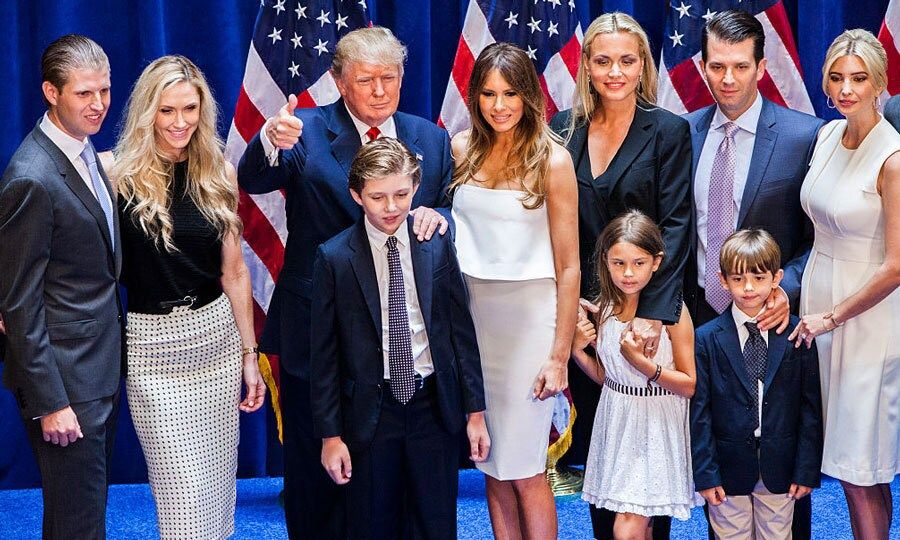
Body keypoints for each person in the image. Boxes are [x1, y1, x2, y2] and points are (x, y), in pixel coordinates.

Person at [237, 26, 452, 538]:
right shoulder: (304, 130)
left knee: (400, 482)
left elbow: (444, 207)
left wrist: (440, 214)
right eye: (365, 80)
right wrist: (268, 142)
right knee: (320, 476)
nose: (379, 91)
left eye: (389, 78)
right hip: (320, 333)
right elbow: (254, 179)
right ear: (338, 80)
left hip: (403, 336)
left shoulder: (431, 138)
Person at [106, 55, 265, 539]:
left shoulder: (218, 171)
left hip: (215, 340)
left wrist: (249, 355)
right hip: (151, 348)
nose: (180, 122)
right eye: (167, 110)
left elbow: (234, 271)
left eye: (190, 109)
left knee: (216, 495)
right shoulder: (113, 176)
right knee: (181, 498)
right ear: (146, 111)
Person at [549, 13, 693, 538]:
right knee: (602, 452)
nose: (614, 71)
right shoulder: (561, 130)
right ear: (586, 65)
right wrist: (573, 316)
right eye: (603, 60)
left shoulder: (669, 130)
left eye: (626, 60)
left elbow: (677, 225)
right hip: (588, 318)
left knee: (648, 460)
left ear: (642, 67)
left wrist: (652, 314)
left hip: (647, 316)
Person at [683, 13, 824, 536]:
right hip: (703, 318)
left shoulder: (802, 135)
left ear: (762, 67)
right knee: (720, 457)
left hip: (774, 317)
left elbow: (819, 240)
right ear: (701, 66)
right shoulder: (685, 132)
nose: (727, 78)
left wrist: (786, 286)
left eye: (740, 66)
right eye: (717, 66)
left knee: (782, 457)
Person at [309, 138, 489, 539]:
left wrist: (475, 412)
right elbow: (324, 357)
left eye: (401, 194)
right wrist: (330, 436)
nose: (391, 207)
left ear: (415, 188)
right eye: (377, 197)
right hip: (371, 416)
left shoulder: (436, 243)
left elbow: (461, 333)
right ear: (357, 195)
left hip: (431, 408)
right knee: (373, 523)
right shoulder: (335, 258)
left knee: (436, 523)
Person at [450, 42, 579, 539]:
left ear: (529, 96)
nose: (498, 105)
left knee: (525, 467)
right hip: (474, 319)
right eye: (488, 93)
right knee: (491, 462)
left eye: (509, 94)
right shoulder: (461, 149)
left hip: (531, 322)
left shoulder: (554, 161)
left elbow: (568, 268)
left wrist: (559, 354)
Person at [0, 34, 123, 539]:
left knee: (82, 515)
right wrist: (51, 401)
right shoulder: (32, 176)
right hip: (67, 385)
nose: (99, 105)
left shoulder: (82, 150)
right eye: (84, 94)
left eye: (106, 91)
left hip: (94, 372)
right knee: (77, 525)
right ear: (51, 93)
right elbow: (18, 304)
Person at [793, 29, 900, 539]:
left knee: (862, 469)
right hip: (820, 309)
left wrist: (833, 316)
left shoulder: (894, 159)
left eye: (858, 78)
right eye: (836, 77)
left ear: (880, 82)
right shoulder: (826, 136)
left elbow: (898, 266)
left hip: (867, 322)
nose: (846, 89)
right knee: (844, 462)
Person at [571, 210, 698, 540]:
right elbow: (608, 377)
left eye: (638, 263)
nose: (628, 273)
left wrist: (644, 364)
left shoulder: (673, 313)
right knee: (635, 526)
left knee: (626, 528)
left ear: (656, 262)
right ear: (605, 260)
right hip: (615, 421)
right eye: (618, 263)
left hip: (655, 425)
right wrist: (577, 351)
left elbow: (689, 384)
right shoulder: (606, 306)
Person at [692, 229, 823, 540]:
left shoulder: (797, 334)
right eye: (737, 279)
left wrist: (806, 469)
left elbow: (810, 408)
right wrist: (706, 473)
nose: (748, 287)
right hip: (727, 467)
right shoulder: (707, 337)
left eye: (758, 278)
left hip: (781, 465)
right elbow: (700, 413)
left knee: (777, 535)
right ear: (723, 281)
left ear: (776, 277)